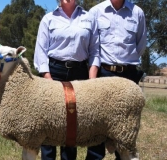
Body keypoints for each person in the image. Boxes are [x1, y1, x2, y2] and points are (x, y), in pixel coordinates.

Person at [34, 0, 100, 159]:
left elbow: (95, 52)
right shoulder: (48, 19)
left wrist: (91, 82)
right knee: (49, 120)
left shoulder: (89, 18)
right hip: (53, 72)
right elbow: (40, 51)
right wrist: (47, 77)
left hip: (79, 73)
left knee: (72, 123)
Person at [86, 0, 147, 159]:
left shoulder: (137, 13)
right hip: (104, 75)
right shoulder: (96, 12)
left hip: (128, 76)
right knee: (97, 126)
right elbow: (91, 46)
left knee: (125, 128)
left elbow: (140, 45)